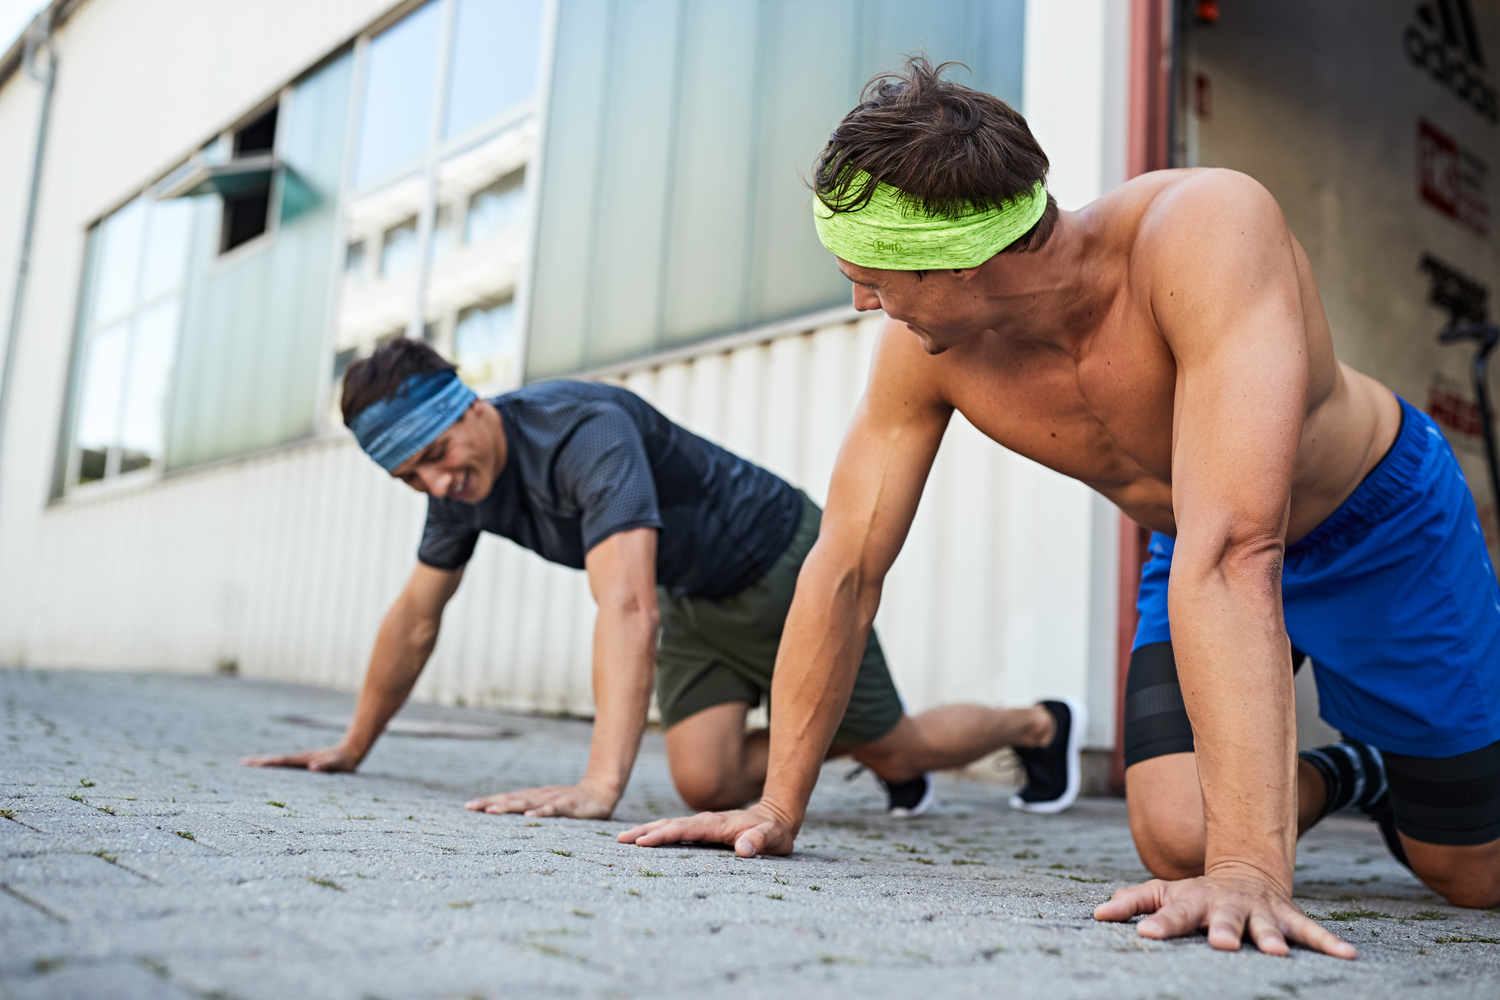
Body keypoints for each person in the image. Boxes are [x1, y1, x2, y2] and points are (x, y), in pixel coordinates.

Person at [615, 57, 1500, 960]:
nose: (862, 302)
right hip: (1193, 538)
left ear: (964, 262)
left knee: (1473, 878)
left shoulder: (1204, 232)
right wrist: (776, 808)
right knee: (1178, 839)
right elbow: (846, 563)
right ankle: (1355, 771)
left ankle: (1363, 804)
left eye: (876, 277)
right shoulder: (929, 349)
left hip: (1377, 528)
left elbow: (1241, 548)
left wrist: (1249, 874)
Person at [241, 338, 1087, 821]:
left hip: (780, 565)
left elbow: (625, 605)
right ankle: (856, 748)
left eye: (434, 457)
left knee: (893, 739)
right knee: (706, 782)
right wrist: (353, 747)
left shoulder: (582, 432)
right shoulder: (460, 486)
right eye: (410, 479)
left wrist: (599, 786)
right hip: (694, 595)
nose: (434, 484)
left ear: (469, 407)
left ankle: (1039, 726)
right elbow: (416, 619)